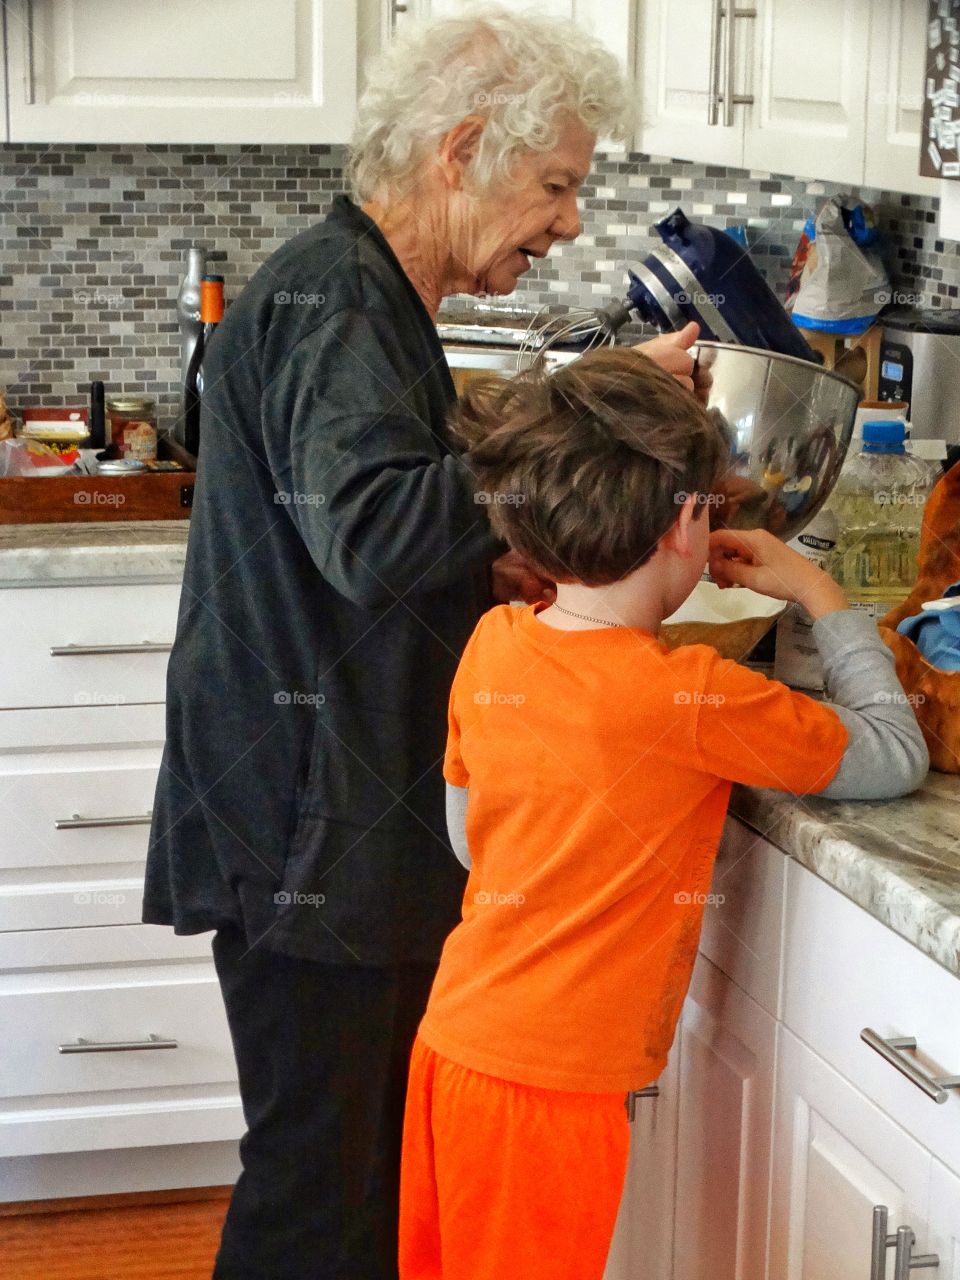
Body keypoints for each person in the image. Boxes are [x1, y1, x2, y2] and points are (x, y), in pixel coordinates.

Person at [142, 9, 702, 1278]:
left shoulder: (366, 289)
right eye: (556, 185)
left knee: (355, 1175)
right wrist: (592, 422)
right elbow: (376, 530)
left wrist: (516, 533)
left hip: (332, 813)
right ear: (461, 150)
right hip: (309, 826)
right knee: (319, 1188)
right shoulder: (339, 301)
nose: (566, 222)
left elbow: (391, 513)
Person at [398, 348, 928, 1280]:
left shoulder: (495, 642)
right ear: (689, 521)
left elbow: (466, 831)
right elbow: (894, 752)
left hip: (455, 1047)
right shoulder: (693, 698)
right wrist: (818, 592)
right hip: (552, 1093)